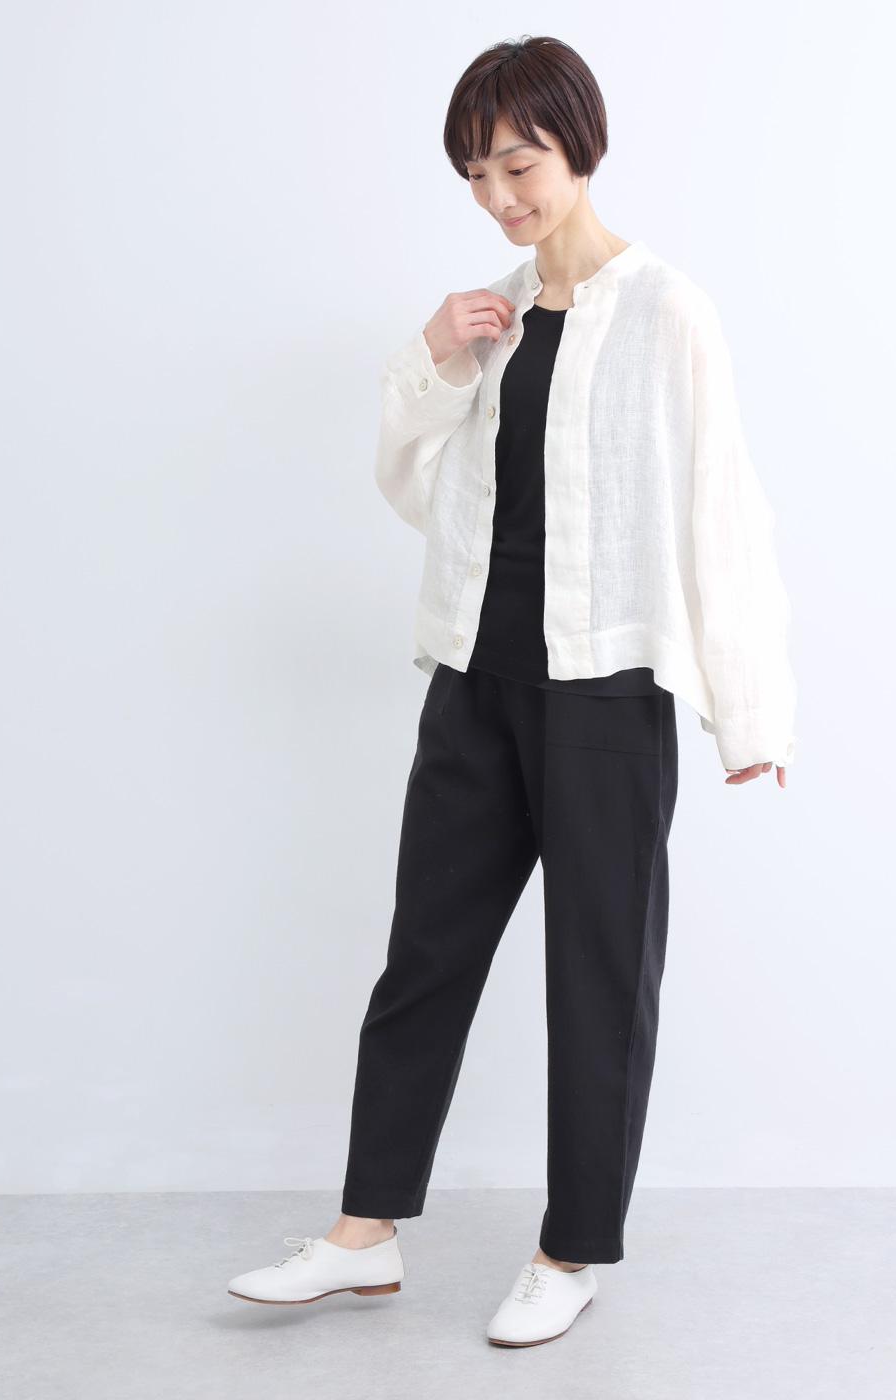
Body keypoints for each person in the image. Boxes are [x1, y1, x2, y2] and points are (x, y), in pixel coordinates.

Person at [227, 34, 797, 1347]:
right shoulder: (487, 314)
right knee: (424, 955)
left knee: (598, 977)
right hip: (475, 682)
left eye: (519, 165)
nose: (499, 197)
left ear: (579, 147)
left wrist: (750, 708)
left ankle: (570, 1249)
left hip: (604, 695)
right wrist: (433, 360)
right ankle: (364, 1235)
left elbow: (719, 511)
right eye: (477, 175)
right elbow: (418, 494)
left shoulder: (666, 311)